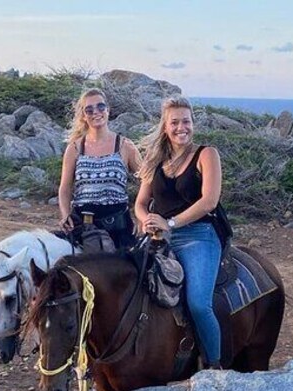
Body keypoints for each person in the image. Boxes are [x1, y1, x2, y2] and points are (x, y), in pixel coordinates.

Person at [134, 96, 224, 369]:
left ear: (193, 124)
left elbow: (209, 200)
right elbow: (139, 203)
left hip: (200, 234)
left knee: (198, 304)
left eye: (186, 121)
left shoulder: (206, 154)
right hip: (159, 236)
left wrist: (170, 223)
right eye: (174, 122)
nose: (180, 127)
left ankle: (213, 364)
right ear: (165, 126)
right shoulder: (155, 158)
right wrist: (147, 220)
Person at [57, 88, 142, 249]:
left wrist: (141, 214)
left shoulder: (125, 146)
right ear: (83, 115)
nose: (96, 112)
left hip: (118, 226)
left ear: (108, 110)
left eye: (100, 107)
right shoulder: (74, 148)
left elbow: (147, 180)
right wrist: (65, 213)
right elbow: (65, 187)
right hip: (82, 225)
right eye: (89, 109)